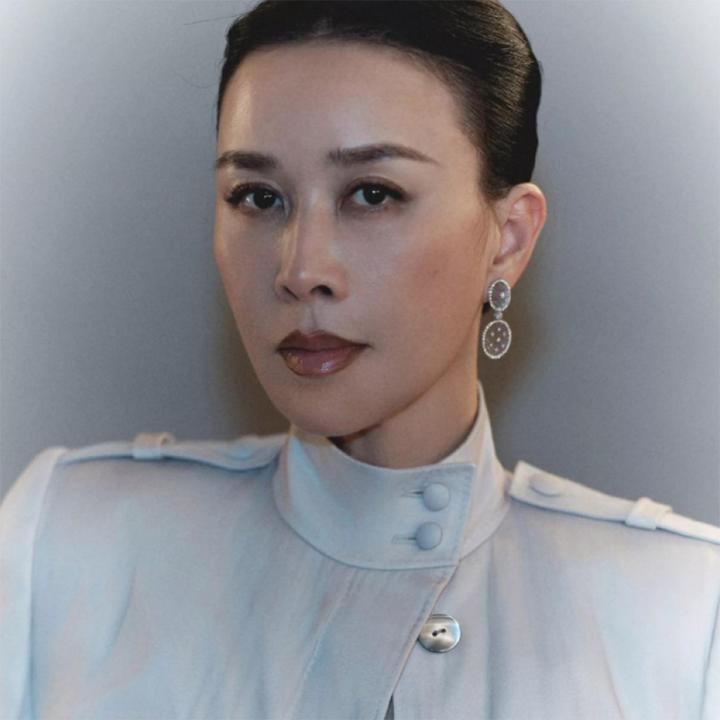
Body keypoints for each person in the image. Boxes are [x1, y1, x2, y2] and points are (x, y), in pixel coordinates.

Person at [1, 1, 718, 718]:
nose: (301, 269)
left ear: (507, 239)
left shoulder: (685, 614)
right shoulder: (65, 545)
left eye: (373, 194)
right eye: (258, 197)